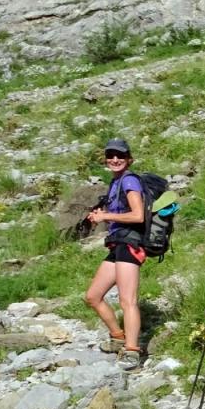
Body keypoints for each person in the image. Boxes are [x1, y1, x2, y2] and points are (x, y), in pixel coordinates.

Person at [84, 138, 148, 371]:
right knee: (93, 296)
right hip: (118, 244)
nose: (115, 159)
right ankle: (118, 337)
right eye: (110, 155)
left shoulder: (130, 181)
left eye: (120, 156)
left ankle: (132, 351)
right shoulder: (116, 182)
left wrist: (105, 217)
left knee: (127, 300)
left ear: (129, 159)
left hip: (130, 244)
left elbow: (138, 215)